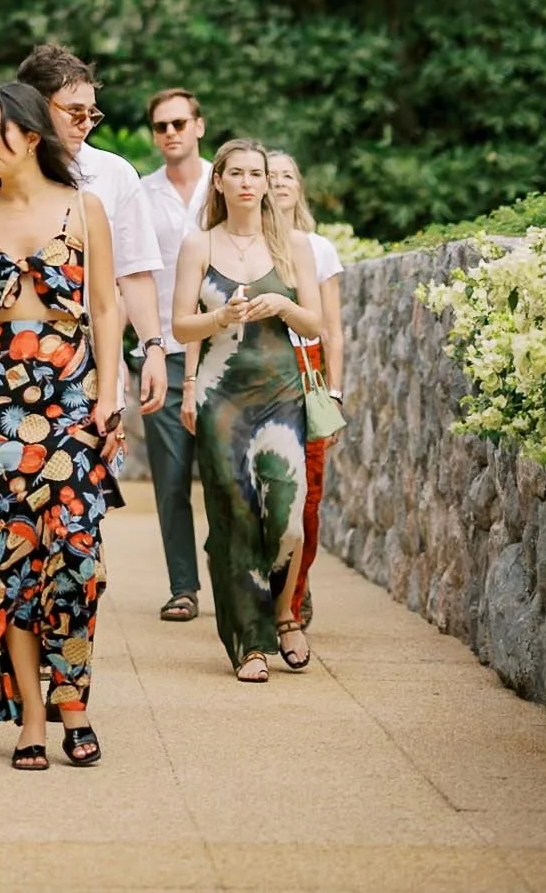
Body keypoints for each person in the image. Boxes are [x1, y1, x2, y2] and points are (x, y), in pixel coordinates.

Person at [0, 81, 122, 771]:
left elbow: (106, 307)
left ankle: (76, 703)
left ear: (30, 136)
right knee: (5, 561)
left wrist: (110, 392)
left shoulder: (83, 208)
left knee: (75, 557)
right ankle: (31, 720)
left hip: (71, 393)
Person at [0, 43, 167, 419]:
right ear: (34, 108)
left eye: (91, 113)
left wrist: (154, 348)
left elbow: (134, 273)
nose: (86, 123)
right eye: (75, 112)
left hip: (91, 363)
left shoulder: (115, 175)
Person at [174, 135, 323, 683]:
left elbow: (316, 324)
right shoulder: (199, 245)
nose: (245, 182)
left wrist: (283, 303)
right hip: (223, 399)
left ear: (266, 183)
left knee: (287, 522)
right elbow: (179, 325)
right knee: (235, 518)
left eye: (254, 174)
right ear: (218, 181)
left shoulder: (293, 245)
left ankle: (284, 614)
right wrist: (219, 319)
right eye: (234, 173)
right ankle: (249, 644)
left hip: (281, 393)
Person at [267, 149, 345, 660]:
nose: (278, 185)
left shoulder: (318, 248)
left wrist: (334, 392)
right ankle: (272, 604)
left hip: (310, 378)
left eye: (287, 176)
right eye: (269, 177)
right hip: (265, 381)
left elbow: (333, 329)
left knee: (309, 504)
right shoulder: (245, 247)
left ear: (300, 186)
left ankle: (295, 591)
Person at [138, 86, 211, 621]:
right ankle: (183, 586)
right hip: (166, 351)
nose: (170, 133)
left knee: (231, 479)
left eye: (179, 123)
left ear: (199, 126)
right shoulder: (141, 195)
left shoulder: (228, 183)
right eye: (161, 126)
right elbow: (130, 276)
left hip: (226, 353)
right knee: (170, 480)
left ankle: (236, 575)